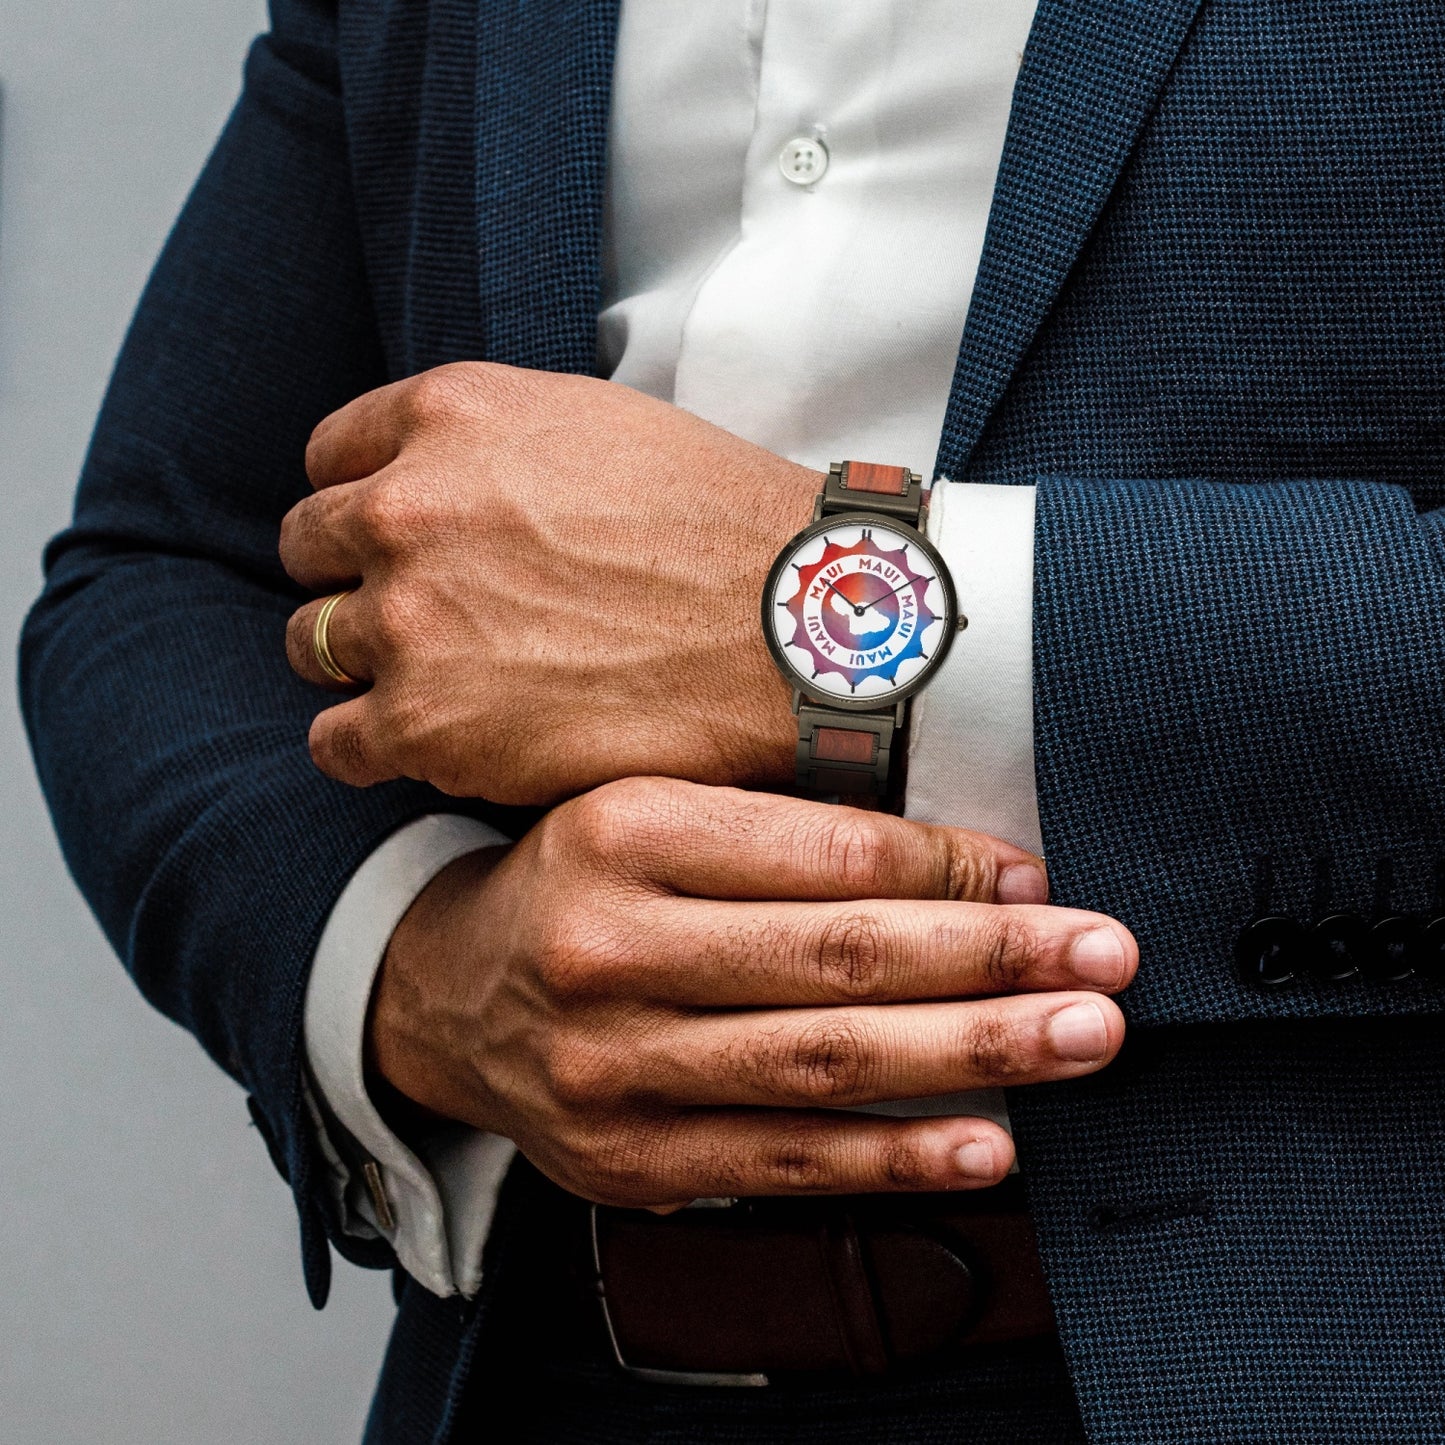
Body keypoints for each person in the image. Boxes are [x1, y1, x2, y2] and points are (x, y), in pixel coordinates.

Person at [21, 0, 1445, 1440]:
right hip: (549, 1357)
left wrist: (828, 613)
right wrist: (417, 961)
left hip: (1314, 1351)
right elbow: (165, 569)